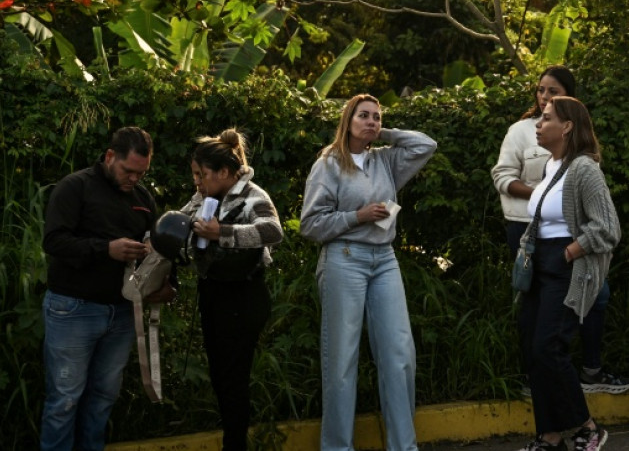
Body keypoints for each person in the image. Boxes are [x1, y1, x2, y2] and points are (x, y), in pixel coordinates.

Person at [300, 94, 437, 451]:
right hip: (344, 258)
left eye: (377, 117)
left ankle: (404, 447)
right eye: (363, 116)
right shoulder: (329, 164)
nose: (372, 121)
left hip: (385, 260)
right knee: (341, 360)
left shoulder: (385, 160)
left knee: (399, 354)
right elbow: (310, 225)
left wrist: (381, 133)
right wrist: (357, 217)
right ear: (347, 120)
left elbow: (426, 145)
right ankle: (337, 447)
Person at [491, 65, 628, 394]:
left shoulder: (577, 142)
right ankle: (536, 377)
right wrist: (542, 191)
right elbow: (502, 177)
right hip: (528, 230)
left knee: (595, 295)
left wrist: (573, 246)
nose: (544, 97)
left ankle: (587, 372)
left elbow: (602, 218)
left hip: (570, 237)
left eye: (552, 91)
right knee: (533, 305)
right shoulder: (522, 131)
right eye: (541, 90)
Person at [40, 126, 165, 451]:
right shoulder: (75, 186)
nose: (134, 179)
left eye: (142, 173)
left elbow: (160, 249)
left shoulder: (143, 199)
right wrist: (105, 249)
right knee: (64, 399)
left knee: (103, 398)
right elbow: (54, 241)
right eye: (128, 171)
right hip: (73, 308)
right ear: (110, 157)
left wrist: (163, 278)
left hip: (123, 313)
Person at [514, 96, 619, 451]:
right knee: (533, 349)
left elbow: (608, 227)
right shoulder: (551, 167)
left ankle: (587, 428)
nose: (538, 125)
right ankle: (550, 435)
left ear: (568, 126)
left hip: (565, 268)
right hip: (540, 267)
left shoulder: (584, 169)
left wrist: (571, 251)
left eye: (545, 119)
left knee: (548, 348)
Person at [179, 129, 283, 450]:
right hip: (214, 295)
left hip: (244, 297)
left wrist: (221, 232)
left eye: (202, 174)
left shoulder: (253, 195)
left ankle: (234, 445)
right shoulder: (205, 198)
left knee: (234, 380)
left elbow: (272, 231)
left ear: (224, 172)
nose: (197, 181)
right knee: (221, 379)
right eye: (195, 175)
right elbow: (180, 227)